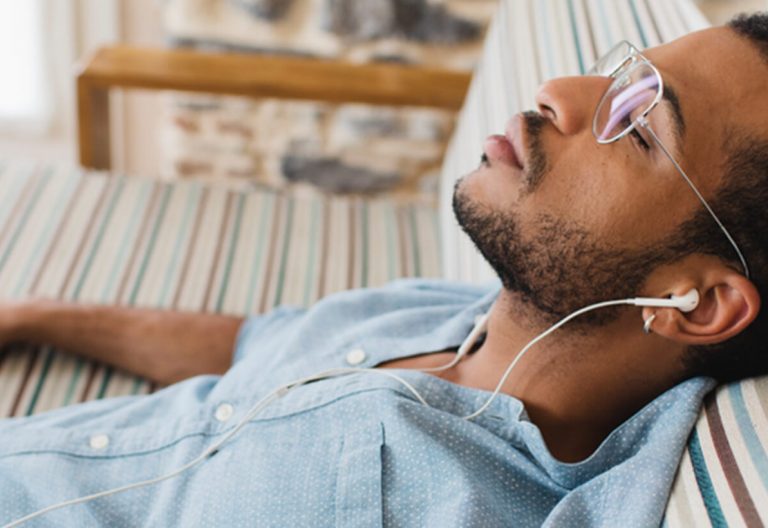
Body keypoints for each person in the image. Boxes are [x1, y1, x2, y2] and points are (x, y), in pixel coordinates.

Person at [2, 13, 768, 527]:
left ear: (695, 304)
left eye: (638, 127)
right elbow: (255, 340)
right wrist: (32, 315)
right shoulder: (470, 313)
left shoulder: (456, 498)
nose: (558, 92)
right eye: (621, 74)